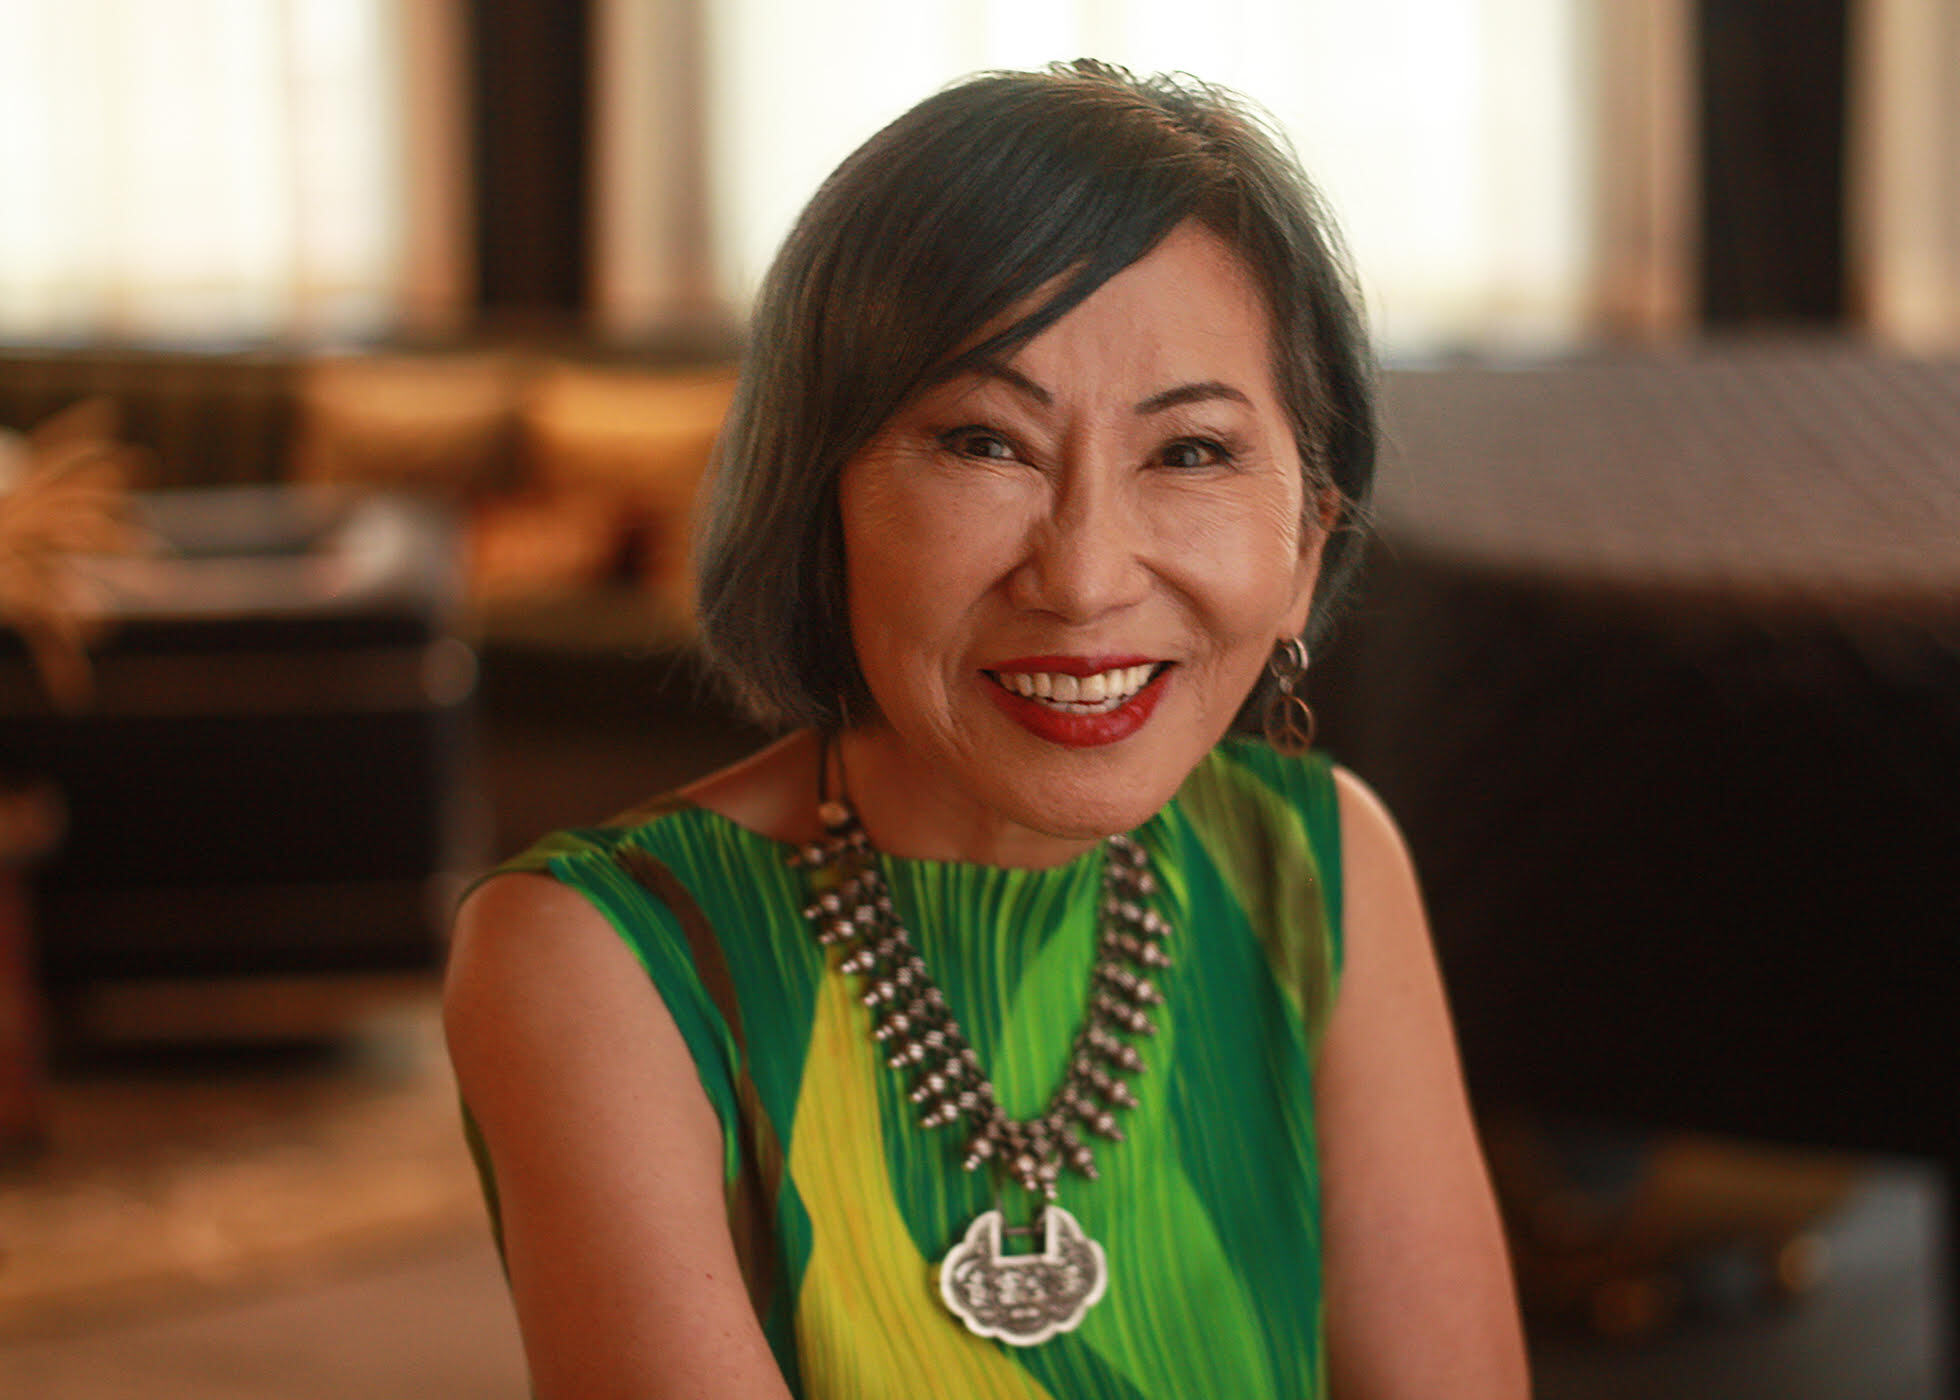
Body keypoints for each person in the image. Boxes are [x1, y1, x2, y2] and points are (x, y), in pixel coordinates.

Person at [445, 60, 1528, 1399]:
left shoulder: (1317, 865)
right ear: (820, 509)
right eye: (984, 444)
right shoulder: (604, 952)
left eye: (1190, 452)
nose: (1084, 578)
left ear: (1309, 543)